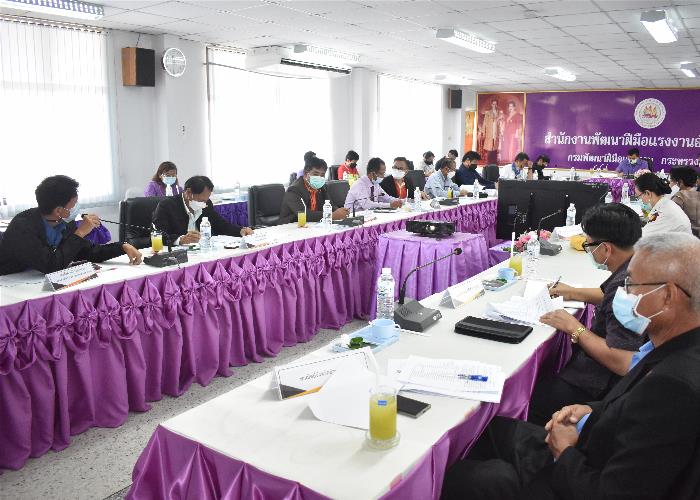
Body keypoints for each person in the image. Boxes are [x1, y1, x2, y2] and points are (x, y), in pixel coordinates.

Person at [442, 233, 700, 500]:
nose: (624, 294)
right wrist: (591, 410)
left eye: (631, 284)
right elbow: (632, 407)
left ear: (667, 296)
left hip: (579, 473)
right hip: (590, 443)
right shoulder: (675, 345)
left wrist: (563, 451)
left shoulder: (673, 387)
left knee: (471, 478)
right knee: (485, 430)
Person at [528, 203, 644, 426]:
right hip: (611, 373)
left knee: (533, 397)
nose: (589, 251)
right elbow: (609, 296)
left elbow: (622, 361)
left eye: (589, 245)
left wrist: (575, 328)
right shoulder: (637, 264)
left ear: (606, 249)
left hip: (601, 382)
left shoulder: (626, 287)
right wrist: (573, 292)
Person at [0, 175, 142, 275]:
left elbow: (89, 252)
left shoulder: (64, 222)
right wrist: (80, 233)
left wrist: (122, 246)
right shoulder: (22, 227)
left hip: (36, 280)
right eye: (73, 205)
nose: (76, 208)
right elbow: (50, 265)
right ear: (58, 211)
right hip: (10, 282)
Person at [153, 175, 253, 245]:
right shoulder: (167, 206)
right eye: (201, 200)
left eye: (206, 200)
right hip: (178, 255)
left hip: (202, 250)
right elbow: (158, 234)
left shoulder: (206, 203)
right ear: (188, 192)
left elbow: (220, 224)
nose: (204, 204)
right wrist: (180, 240)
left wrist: (240, 230)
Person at [279, 157, 349, 224]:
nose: (319, 178)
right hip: (291, 226)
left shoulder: (322, 187)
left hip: (314, 224)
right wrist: (331, 216)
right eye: (315, 174)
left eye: (322, 175)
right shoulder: (294, 190)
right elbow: (305, 214)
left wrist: (341, 211)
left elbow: (330, 205)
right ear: (306, 174)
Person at [669, 166, 700, 237]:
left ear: (680, 182)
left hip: (685, 238)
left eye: (672, 180)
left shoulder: (679, 197)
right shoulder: (698, 194)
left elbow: (668, 219)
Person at [480, 98, 501, 164]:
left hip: (496, 132)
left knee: (495, 146)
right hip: (490, 132)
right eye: (493, 104)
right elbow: (485, 123)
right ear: (491, 104)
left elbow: (501, 123)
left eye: (496, 104)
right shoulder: (488, 113)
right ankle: (489, 161)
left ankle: (494, 161)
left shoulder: (499, 112)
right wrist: (483, 132)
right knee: (489, 146)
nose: (494, 105)